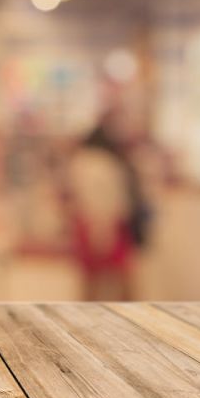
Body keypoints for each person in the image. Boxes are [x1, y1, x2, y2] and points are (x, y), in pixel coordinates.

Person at [64, 115, 150, 300]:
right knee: (122, 277)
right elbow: (111, 199)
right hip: (108, 223)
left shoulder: (80, 162)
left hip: (90, 223)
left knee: (91, 279)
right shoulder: (107, 163)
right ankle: (132, 317)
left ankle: (84, 317)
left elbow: (81, 198)